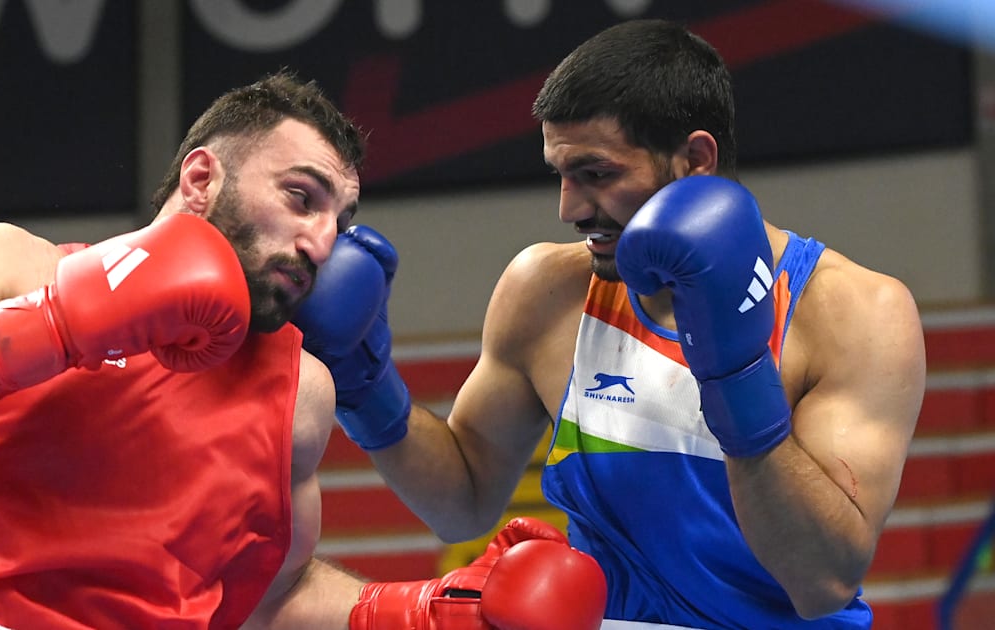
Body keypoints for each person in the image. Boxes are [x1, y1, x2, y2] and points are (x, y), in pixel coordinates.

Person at [0, 72, 607, 629]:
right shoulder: (17, 264)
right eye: (301, 198)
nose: (319, 240)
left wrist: (425, 609)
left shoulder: (299, 389)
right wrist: (68, 319)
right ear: (202, 178)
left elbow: (273, 596)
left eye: (339, 218)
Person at [296, 19, 926, 629]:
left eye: (596, 174)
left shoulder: (853, 312)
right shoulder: (549, 290)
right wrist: (367, 386)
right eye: (560, 174)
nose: (569, 207)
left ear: (695, 159)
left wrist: (738, 380)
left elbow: (821, 584)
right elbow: (462, 501)